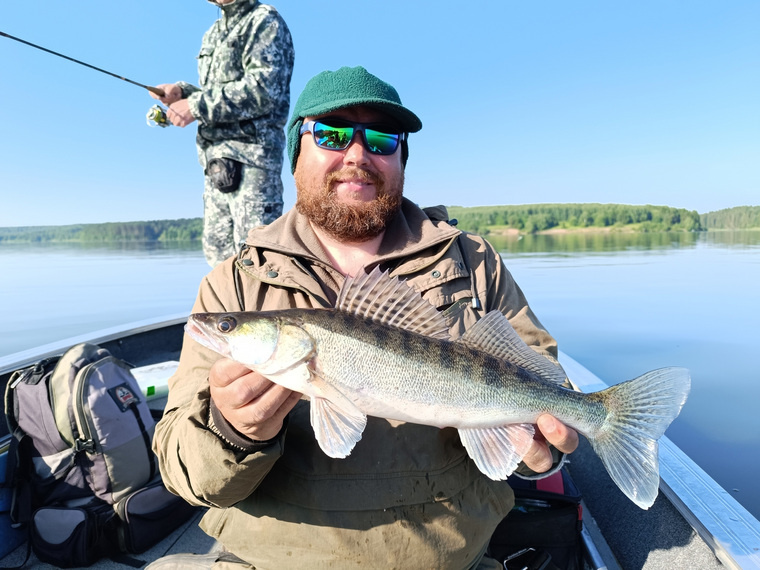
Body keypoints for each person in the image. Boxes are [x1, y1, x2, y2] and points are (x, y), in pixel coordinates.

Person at [149, 66, 579, 570]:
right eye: (330, 134)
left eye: (381, 138)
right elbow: (186, 476)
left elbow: (548, 386)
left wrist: (545, 453)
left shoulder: (474, 262)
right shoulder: (235, 282)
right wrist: (232, 431)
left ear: (401, 158)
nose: (357, 154)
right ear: (295, 155)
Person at [151, 0, 294, 267]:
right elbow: (217, 92)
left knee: (257, 259)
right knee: (219, 261)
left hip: (252, 162)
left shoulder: (264, 20)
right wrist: (182, 93)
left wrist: (195, 106)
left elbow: (264, 91)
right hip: (214, 164)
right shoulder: (214, 32)